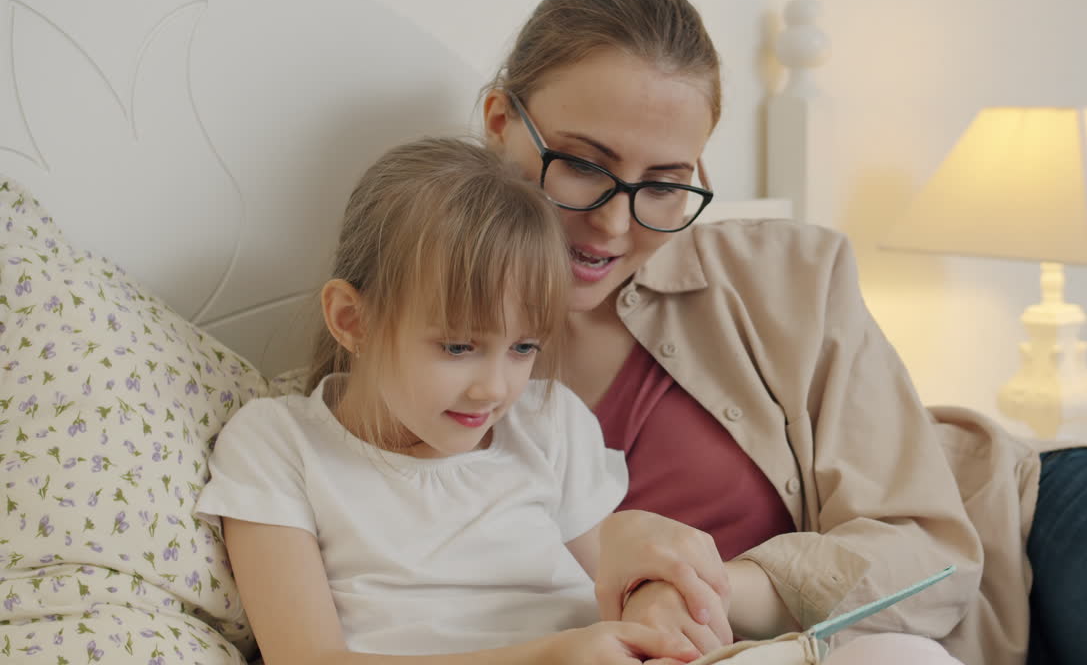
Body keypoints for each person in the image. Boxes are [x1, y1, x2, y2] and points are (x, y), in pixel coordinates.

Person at [477, 0, 1087, 665]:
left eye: (665, 183)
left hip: (1039, 536)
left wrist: (709, 586)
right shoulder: (424, 343)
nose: (617, 226)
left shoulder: (790, 276)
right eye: (583, 165)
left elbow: (928, 552)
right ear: (499, 121)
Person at [195, 138, 710, 664]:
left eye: (523, 347)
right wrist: (546, 658)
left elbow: (617, 588)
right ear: (354, 320)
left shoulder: (548, 420)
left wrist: (657, 601)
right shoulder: (280, 444)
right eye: (458, 346)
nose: (493, 388)